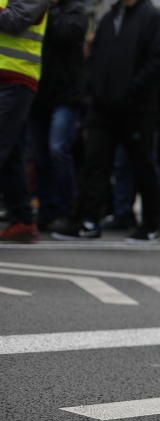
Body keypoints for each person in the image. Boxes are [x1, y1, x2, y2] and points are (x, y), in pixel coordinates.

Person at [51, 0, 160, 242]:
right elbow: (96, 59)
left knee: (142, 164)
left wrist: (132, 90)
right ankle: (87, 220)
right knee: (94, 163)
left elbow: (159, 61)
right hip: (103, 108)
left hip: (137, 109)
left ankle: (151, 223)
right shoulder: (109, 18)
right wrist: (93, 92)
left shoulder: (152, 18)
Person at [24, 0, 86, 237]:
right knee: (40, 156)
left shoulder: (75, 12)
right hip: (40, 93)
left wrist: (45, 12)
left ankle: (66, 210)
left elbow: (65, 35)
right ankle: (47, 211)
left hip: (65, 95)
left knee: (58, 149)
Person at [0, 0, 49, 243]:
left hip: (16, 77)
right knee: (12, 154)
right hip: (8, 78)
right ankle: (22, 221)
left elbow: (14, 21)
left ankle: (22, 220)